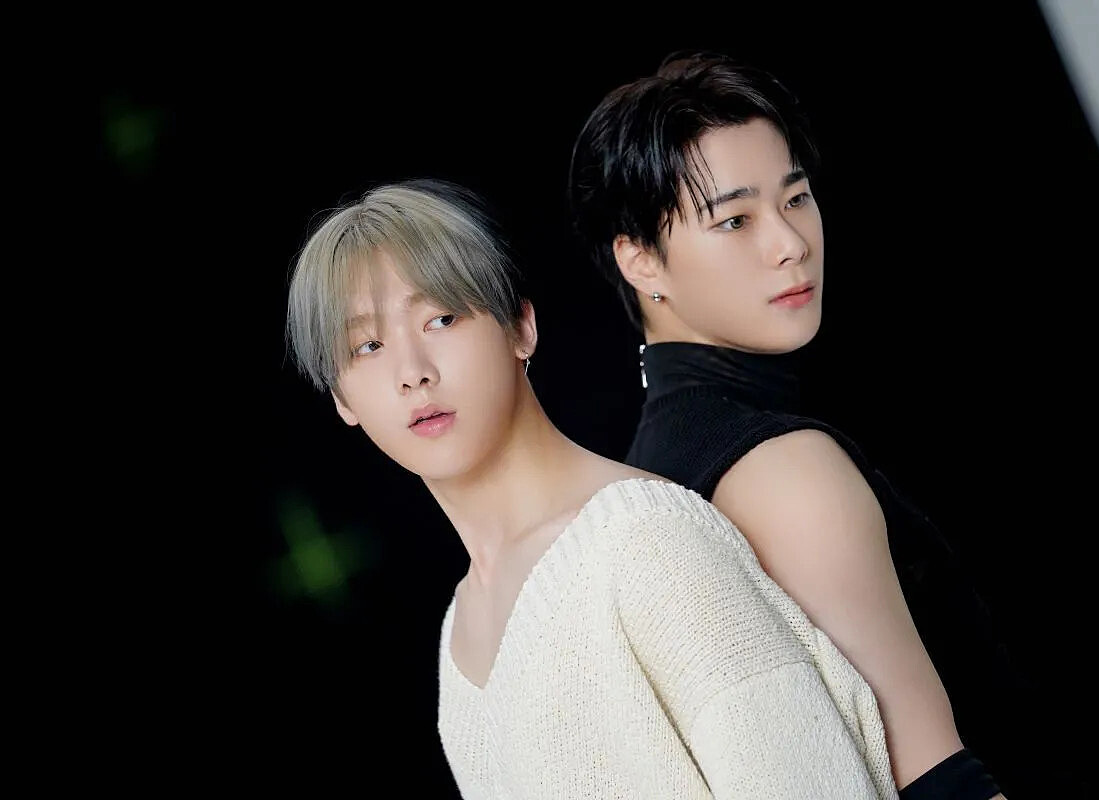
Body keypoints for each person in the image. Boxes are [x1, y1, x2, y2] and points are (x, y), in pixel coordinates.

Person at [285, 178, 899, 798]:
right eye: (368, 346)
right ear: (342, 399)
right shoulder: (460, 635)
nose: (413, 373)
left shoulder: (646, 540)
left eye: (442, 318)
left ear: (521, 327)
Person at [567, 51, 1026, 799]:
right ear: (641, 259)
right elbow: (938, 781)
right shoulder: (780, 468)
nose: (791, 243)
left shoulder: (654, 469)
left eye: (797, 197)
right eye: (735, 219)